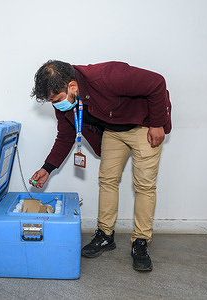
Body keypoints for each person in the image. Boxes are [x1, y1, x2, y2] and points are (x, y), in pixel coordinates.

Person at [29, 60, 172, 271]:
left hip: (143, 125)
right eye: (52, 102)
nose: (57, 105)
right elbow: (66, 135)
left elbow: (157, 83)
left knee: (144, 184)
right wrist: (47, 168)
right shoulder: (63, 100)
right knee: (107, 180)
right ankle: (105, 235)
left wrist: (157, 123)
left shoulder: (107, 75)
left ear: (72, 86)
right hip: (113, 130)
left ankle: (140, 241)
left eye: (58, 100)